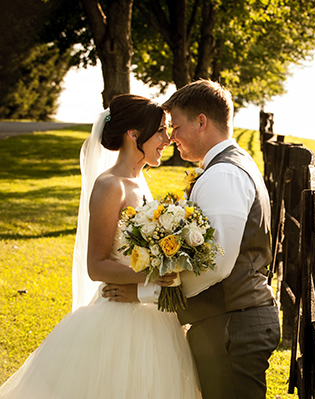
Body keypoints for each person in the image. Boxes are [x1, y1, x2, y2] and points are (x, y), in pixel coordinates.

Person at [0, 94, 201, 399]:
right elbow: (96, 266)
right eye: (160, 131)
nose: (167, 139)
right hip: (118, 317)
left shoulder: (140, 180)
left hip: (154, 316)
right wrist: (149, 276)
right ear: (134, 135)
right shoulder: (111, 185)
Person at [109, 79, 280, 399]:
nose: (170, 137)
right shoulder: (226, 166)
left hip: (233, 326)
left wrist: (143, 294)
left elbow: (215, 266)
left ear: (201, 122)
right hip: (231, 324)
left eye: (175, 126)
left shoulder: (224, 174)